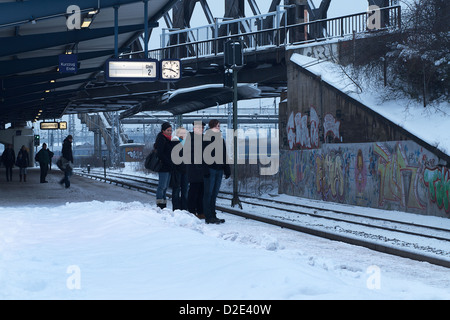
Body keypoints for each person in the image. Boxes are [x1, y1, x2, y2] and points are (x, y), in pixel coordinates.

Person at [202, 119, 231, 224]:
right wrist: (205, 170)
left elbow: (224, 154)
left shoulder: (220, 138)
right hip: (210, 169)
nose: (218, 127)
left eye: (219, 126)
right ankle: (208, 216)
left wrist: (227, 169)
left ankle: (213, 215)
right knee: (208, 193)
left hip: (219, 169)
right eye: (217, 126)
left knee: (214, 194)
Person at [186, 121, 206, 219]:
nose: (201, 130)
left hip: (202, 169)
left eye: (202, 128)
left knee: (201, 192)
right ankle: (192, 211)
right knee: (193, 191)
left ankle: (201, 211)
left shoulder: (204, 138)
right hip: (193, 169)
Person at [155, 122, 174, 209]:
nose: (170, 132)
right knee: (162, 186)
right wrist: (168, 162)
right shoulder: (161, 139)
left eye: (170, 130)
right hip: (163, 166)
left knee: (165, 187)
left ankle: (163, 204)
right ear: (163, 131)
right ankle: (159, 204)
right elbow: (160, 153)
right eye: (168, 130)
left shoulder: (169, 139)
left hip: (168, 166)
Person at [171, 127, 189, 211]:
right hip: (177, 170)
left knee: (185, 191)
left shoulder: (187, 143)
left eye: (184, 133)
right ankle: (176, 209)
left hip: (186, 170)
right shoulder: (174, 142)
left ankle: (184, 208)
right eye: (181, 133)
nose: (183, 134)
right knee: (176, 190)